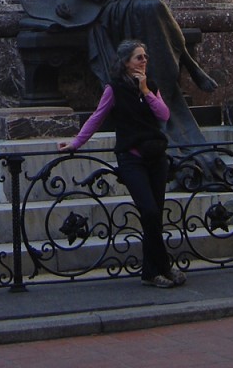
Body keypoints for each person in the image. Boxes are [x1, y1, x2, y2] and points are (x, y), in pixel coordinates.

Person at [22, 0, 218, 155]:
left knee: (152, 7)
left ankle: (188, 65)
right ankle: (191, 65)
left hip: (137, 3)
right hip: (110, 5)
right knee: (153, 9)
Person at [58, 39, 186, 288]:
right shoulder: (114, 89)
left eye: (145, 56)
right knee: (148, 211)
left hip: (156, 157)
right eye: (139, 57)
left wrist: (146, 91)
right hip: (132, 158)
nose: (144, 60)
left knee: (155, 215)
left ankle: (154, 272)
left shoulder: (150, 86)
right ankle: (162, 268)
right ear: (126, 63)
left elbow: (164, 115)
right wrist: (76, 143)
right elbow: (97, 117)